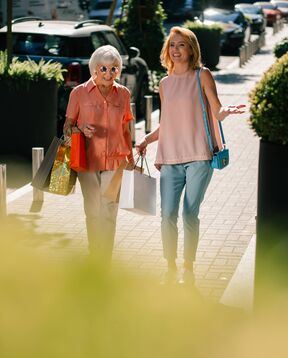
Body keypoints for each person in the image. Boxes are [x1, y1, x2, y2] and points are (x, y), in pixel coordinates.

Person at [136, 27, 245, 285]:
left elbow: (216, 111)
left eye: (181, 45)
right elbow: (169, 123)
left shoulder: (202, 76)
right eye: (172, 45)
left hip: (199, 157)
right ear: (167, 50)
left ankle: (188, 267)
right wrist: (146, 139)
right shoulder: (164, 83)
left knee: (189, 214)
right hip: (170, 158)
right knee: (167, 215)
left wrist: (227, 110)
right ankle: (170, 267)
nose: (176, 50)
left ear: (191, 49)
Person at [63, 45, 134, 260]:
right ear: (94, 69)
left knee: (109, 210)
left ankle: (105, 258)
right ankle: (95, 253)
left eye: (114, 69)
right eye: (104, 68)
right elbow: (67, 127)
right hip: (88, 160)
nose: (109, 73)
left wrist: (130, 155)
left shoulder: (123, 94)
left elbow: (126, 127)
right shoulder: (79, 93)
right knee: (93, 210)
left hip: (116, 160)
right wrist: (80, 130)